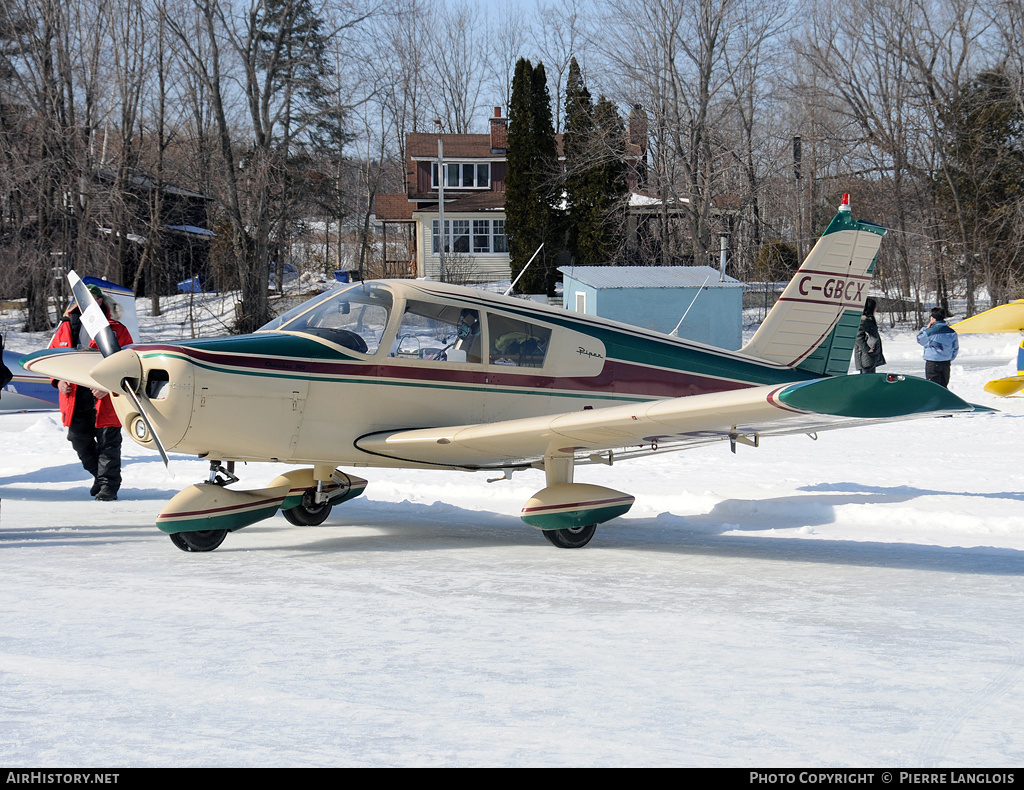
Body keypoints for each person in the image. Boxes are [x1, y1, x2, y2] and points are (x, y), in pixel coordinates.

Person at [48, 285, 134, 500]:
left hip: (106, 397)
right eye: (86, 300)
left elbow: (130, 363)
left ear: (101, 302)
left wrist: (107, 386)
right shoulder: (66, 327)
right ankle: (100, 475)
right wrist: (57, 381)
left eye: (95, 299)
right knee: (78, 439)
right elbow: (51, 360)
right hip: (75, 397)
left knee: (108, 443)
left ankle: (108, 487)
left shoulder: (117, 329)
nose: (91, 303)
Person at [917, 306, 959, 388]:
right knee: (943, 386)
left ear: (933, 318)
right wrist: (949, 357)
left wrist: (924, 329)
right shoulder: (952, 332)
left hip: (933, 362)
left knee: (933, 387)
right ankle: (944, 400)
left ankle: (936, 400)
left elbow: (920, 339)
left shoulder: (929, 332)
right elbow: (955, 348)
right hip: (946, 362)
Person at [854, 297, 886, 374]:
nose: (876, 309)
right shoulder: (863, 321)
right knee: (866, 378)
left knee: (869, 375)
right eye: (874, 307)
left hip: (870, 356)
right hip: (865, 356)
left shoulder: (869, 320)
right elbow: (858, 337)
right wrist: (867, 349)